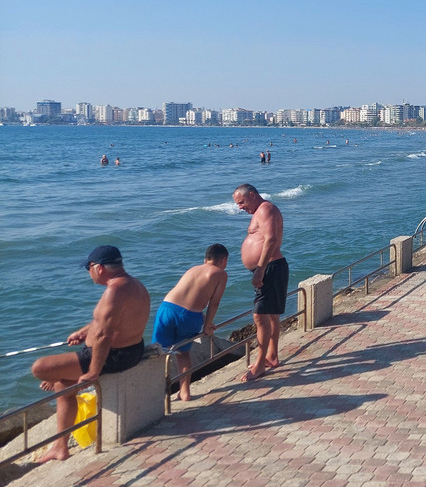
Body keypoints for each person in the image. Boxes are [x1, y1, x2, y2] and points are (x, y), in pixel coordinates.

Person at [30, 245, 150, 462]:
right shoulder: (132, 284)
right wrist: (84, 332)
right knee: (62, 385)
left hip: (114, 356)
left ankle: (60, 445)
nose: (88, 273)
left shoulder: (114, 291)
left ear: (99, 268)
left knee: (40, 368)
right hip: (132, 348)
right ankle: (60, 447)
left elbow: (104, 335)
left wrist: (93, 372)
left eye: (88, 268)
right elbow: (108, 321)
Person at [152, 244, 229, 401]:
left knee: (158, 353)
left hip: (167, 308)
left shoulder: (193, 269)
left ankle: (154, 395)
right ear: (223, 260)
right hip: (190, 316)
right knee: (183, 353)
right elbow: (214, 303)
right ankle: (185, 391)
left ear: (205, 259)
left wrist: (204, 318)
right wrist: (207, 325)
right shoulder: (220, 274)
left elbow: (187, 297)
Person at [233, 184, 288, 383]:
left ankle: (259, 365)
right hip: (270, 268)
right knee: (271, 315)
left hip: (270, 268)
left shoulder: (266, 209)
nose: (239, 207)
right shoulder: (262, 210)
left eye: (241, 202)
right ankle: (272, 356)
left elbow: (271, 240)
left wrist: (260, 269)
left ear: (252, 195)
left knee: (260, 316)